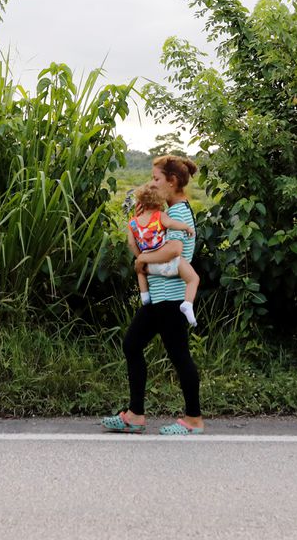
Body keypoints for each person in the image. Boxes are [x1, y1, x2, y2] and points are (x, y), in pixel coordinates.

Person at [102, 155, 204, 435]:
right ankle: (135, 414)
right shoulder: (167, 211)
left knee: (179, 355)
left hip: (171, 298)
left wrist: (143, 260)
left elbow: (174, 251)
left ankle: (193, 419)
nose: (153, 183)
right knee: (132, 344)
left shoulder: (180, 212)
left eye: (157, 179)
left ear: (172, 181)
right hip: (158, 298)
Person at [127, 181, 200, 326]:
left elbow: (131, 243)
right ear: (159, 202)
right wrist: (186, 227)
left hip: (149, 264)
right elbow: (173, 225)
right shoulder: (160, 216)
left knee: (140, 271)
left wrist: (141, 256)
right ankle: (188, 304)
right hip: (166, 262)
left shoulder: (133, 222)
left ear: (141, 202)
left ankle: (144, 296)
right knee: (193, 279)